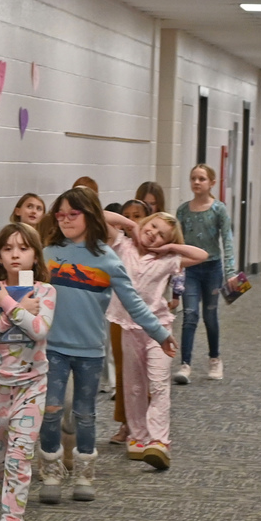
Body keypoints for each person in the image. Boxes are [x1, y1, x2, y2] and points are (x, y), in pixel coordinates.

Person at [37, 186, 176, 504]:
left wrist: (160, 334)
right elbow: (28, 292)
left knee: (85, 414)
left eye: (73, 214)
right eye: (60, 214)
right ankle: (51, 470)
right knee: (51, 410)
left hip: (89, 351)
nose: (65, 220)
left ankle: (84, 473)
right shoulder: (48, 253)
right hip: (53, 348)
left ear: (89, 216)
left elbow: (135, 304)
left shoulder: (108, 259)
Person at [106, 211, 207, 468]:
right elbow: (98, 215)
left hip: (158, 330)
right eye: (152, 227)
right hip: (130, 328)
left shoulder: (169, 259)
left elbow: (201, 255)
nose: (154, 234)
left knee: (159, 383)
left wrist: (171, 247)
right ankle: (138, 435)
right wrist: (132, 226)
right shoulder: (122, 245)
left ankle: (160, 441)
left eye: (162, 234)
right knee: (134, 386)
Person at [0, 223, 55, 521]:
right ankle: (14, 515)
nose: (15, 254)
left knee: (19, 456)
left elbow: (39, 330)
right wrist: (16, 310)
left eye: (23, 248)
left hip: (31, 385)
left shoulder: (45, 291)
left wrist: (8, 307)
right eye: (8, 248)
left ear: (35, 256)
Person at [174, 164, 237, 384]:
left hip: (212, 268)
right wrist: (176, 267)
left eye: (201, 179)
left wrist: (230, 271)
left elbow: (227, 240)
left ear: (212, 183)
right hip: (190, 269)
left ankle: (214, 358)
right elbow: (178, 241)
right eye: (193, 178)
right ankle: (185, 364)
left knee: (210, 315)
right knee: (190, 314)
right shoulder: (183, 211)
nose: (196, 182)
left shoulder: (219, 209)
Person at [109, 199, 153, 444]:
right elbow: (100, 216)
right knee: (123, 370)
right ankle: (126, 422)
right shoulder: (119, 244)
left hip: (149, 317)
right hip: (120, 316)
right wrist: (127, 224)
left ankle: (148, 422)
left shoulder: (156, 245)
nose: (132, 220)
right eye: (127, 215)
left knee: (147, 371)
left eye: (137, 215)